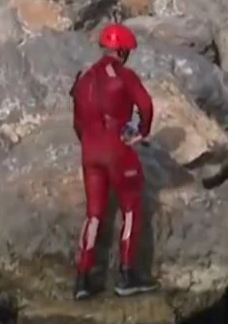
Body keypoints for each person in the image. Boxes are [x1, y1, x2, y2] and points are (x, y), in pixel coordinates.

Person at [69, 23, 160, 299]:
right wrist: (142, 131)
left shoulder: (83, 77)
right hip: (116, 148)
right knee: (131, 207)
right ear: (122, 51)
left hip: (90, 150)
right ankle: (127, 274)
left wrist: (89, 143)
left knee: (94, 213)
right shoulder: (125, 75)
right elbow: (145, 106)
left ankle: (83, 278)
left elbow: (77, 121)